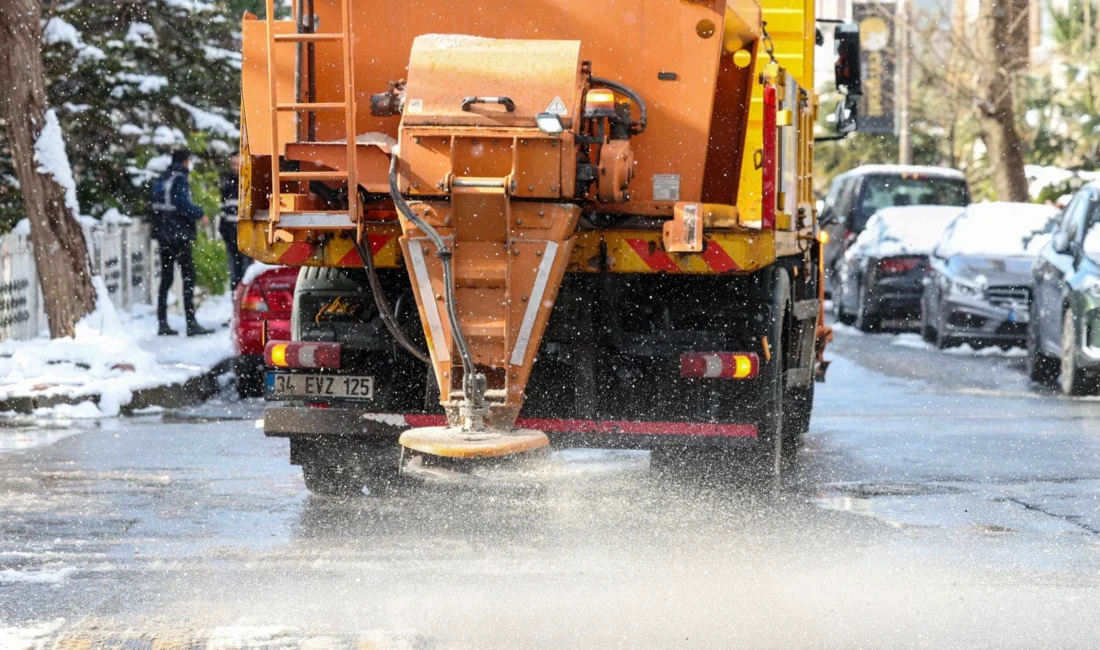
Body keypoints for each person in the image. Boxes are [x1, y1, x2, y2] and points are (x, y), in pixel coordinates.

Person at [151, 149, 214, 337]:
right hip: (179, 235)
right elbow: (182, 204)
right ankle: (191, 323)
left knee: (166, 278)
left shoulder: (163, 178)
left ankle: (162, 323)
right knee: (189, 277)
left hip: (164, 234)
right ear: (185, 162)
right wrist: (200, 213)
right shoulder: (179, 179)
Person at [219, 153, 251, 291]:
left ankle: (243, 303)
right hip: (231, 236)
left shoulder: (248, 181)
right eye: (233, 164)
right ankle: (235, 305)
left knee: (246, 274)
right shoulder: (227, 183)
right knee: (234, 275)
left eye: (238, 164)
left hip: (246, 236)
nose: (235, 167)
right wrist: (225, 232)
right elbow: (223, 211)